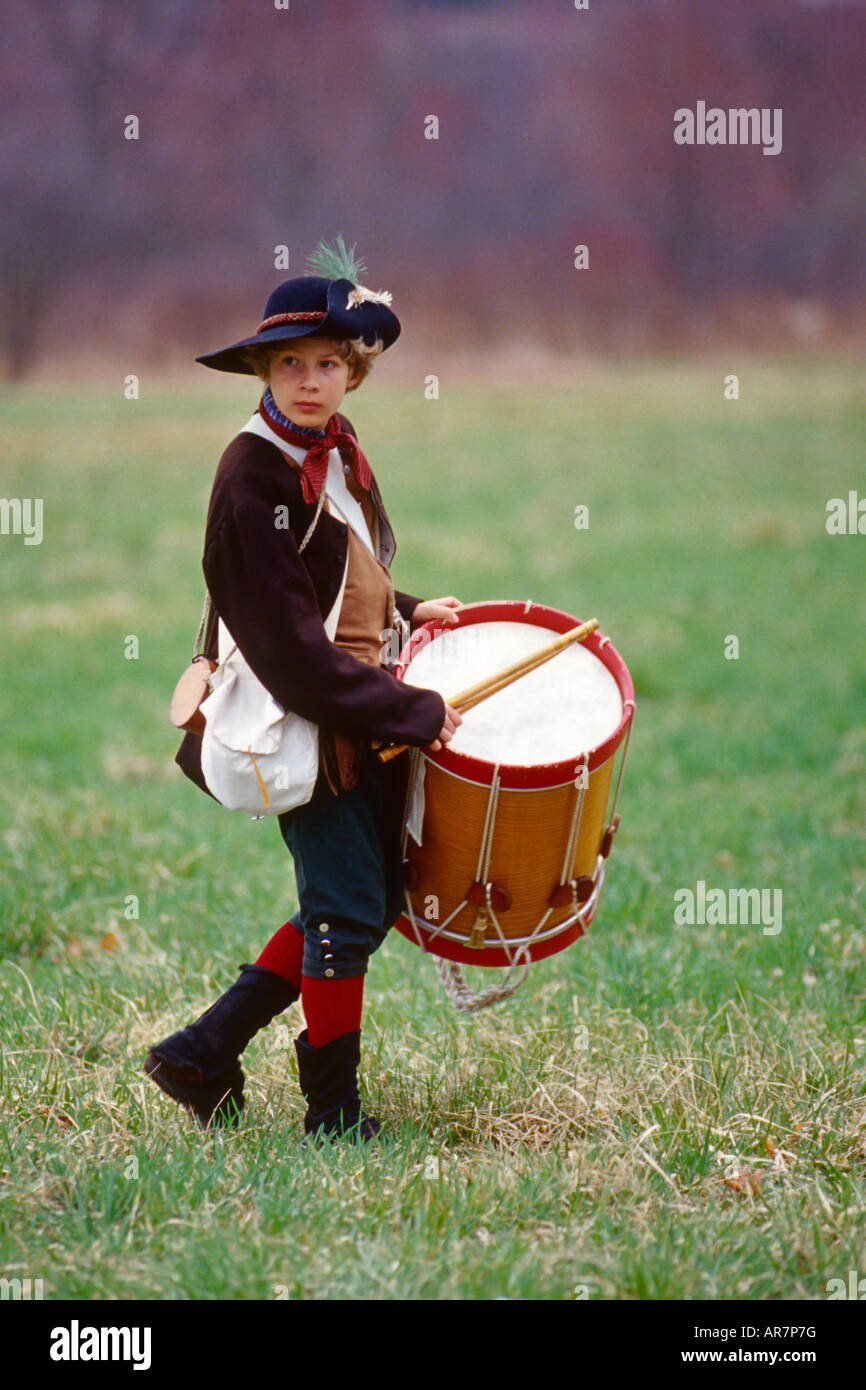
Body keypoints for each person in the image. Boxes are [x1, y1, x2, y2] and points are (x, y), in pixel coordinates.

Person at [144, 239, 462, 1141]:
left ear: (354, 371)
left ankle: (201, 1051)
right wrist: (417, 713)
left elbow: (330, 574)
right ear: (262, 369)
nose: (311, 379)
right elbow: (287, 648)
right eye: (291, 363)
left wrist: (405, 605)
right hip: (305, 717)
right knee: (343, 909)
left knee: (369, 899)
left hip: (352, 705)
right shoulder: (251, 473)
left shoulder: (330, 445)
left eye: (329, 362)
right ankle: (332, 1113)